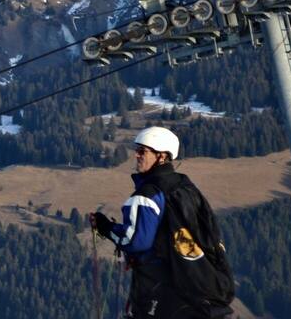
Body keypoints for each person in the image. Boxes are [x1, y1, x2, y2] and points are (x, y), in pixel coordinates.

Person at [89, 127, 236, 318]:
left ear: (161, 157)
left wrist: (105, 227)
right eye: (137, 150)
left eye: (143, 151)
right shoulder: (187, 188)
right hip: (194, 285)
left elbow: (135, 241)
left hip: (158, 288)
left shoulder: (147, 195)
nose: (136, 156)